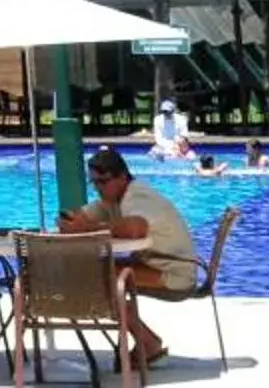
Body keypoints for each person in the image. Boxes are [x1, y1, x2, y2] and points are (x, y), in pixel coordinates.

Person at [62, 147, 196, 371]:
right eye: (93, 182)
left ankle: (149, 343)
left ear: (122, 177)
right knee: (98, 273)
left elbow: (135, 230)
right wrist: (69, 221)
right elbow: (80, 216)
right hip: (155, 264)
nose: (98, 188)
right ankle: (146, 340)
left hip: (176, 274)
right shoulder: (112, 199)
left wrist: (87, 228)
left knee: (103, 279)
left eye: (103, 182)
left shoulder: (137, 196)